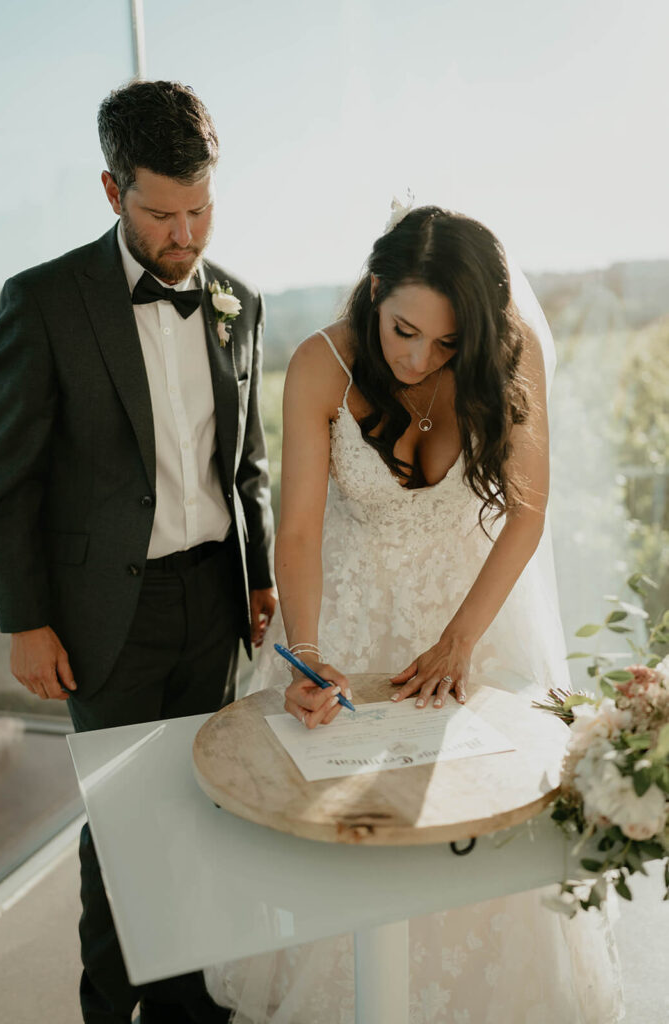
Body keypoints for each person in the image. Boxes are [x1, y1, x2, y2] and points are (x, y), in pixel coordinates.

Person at [204, 205, 623, 1022]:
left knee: (486, 833)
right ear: (373, 289)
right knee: (354, 841)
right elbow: (296, 530)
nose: (417, 357)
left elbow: (528, 514)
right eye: (402, 330)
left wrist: (461, 638)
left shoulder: (511, 352)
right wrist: (309, 649)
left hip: (471, 620)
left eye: (444, 344)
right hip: (350, 613)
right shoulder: (321, 363)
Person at [0, 80, 276, 1023]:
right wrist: (25, 620)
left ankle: (196, 1007)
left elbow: (248, 466)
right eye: (161, 214)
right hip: (105, 613)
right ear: (112, 191)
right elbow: (5, 480)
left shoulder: (239, 301)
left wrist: (262, 574)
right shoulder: (43, 302)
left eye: (199, 209)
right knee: (121, 830)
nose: (185, 235)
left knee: (204, 813)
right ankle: (110, 1012)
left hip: (213, 602)